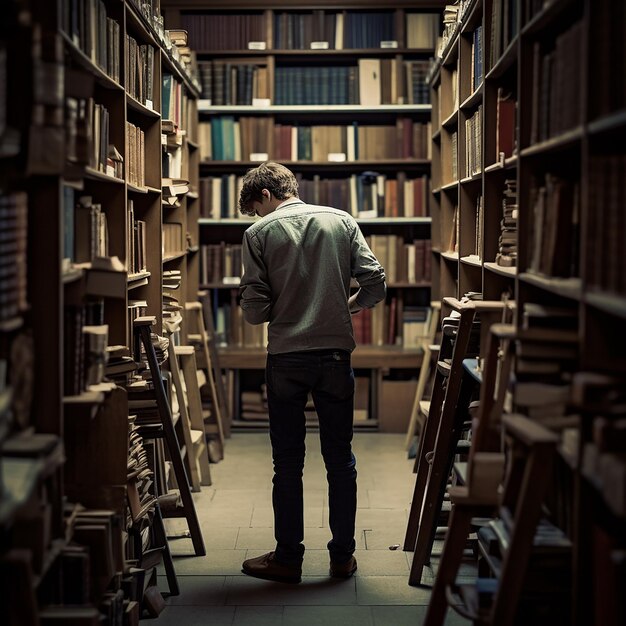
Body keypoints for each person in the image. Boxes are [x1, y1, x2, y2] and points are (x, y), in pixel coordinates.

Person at [237, 162, 386, 584]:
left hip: (286, 357)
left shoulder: (258, 235)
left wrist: (275, 307)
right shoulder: (341, 221)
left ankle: (288, 559)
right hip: (336, 356)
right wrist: (345, 306)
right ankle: (342, 558)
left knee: (287, 463)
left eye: (255, 209)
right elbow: (375, 283)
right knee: (341, 460)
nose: (256, 218)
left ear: (264, 195)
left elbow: (253, 312)